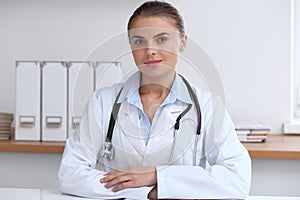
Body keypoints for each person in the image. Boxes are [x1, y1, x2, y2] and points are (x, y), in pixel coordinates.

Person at [58, 1, 251, 199]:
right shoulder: (103, 102)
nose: (150, 50)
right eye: (139, 41)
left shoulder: (209, 107)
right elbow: (71, 174)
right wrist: (148, 191)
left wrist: (156, 175)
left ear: (182, 42)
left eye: (161, 39)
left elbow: (237, 179)